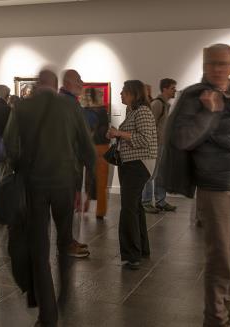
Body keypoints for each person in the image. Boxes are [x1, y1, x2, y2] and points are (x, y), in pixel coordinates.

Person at [160, 43, 230, 327]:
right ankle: (214, 318)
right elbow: (181, 139)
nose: (218, 69)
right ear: (205, 66)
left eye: (223, 63)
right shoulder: (195, 95)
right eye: (212, 63)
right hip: (214, 188)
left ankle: (227, 306)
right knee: (219, 257)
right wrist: (208, 113)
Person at [3, 69, 95, 327]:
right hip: (65, 184)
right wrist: (89, 188)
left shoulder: (23, 107)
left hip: (35, 186)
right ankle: (65, 294)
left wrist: (21, 165)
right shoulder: (71, 108)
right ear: (56, 86)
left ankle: (48, 313)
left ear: (37, 84)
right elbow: (87, 148)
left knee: (39, 250)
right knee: (65, 241)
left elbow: (9, 146)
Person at [106, 80, 157, 270]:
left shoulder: (142, 111)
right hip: (132, 163)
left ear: (133, 94)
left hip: (138, 164)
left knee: (128, 208)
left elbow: (145, 139)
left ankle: (132, 256)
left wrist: (119, 133)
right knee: (135, 207)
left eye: (124, 92)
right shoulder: (132, 112)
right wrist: (117, 134)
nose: (120, 94)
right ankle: (142, 249)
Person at [59, 69, 92, 258]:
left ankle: (67, 240)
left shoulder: (69, 102)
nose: (82, 83)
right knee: (66, 206)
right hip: (67, 165)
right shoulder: (66, 103)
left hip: (71, 163)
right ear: (68, 83)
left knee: (69, 206)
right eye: (78, 80)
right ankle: (65, 244)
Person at [143, 78, 177, 213]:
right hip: (155, 145)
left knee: (160, 174)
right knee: (151, 173)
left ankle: (160, 201)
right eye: (173, 88)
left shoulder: (165, 104)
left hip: (162, 145)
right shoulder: (157, 104)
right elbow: (150, 125)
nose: (175, 91)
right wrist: (155, 141)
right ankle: (146, 202)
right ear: (165, 89)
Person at [82, 87, 110, 219]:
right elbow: (105, 131)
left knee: (87, 179)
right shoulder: (103, 112)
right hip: (102, 148)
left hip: (88, 147)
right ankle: (100, 211)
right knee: (101, 181)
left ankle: (84, 205)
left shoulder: (84, 112)